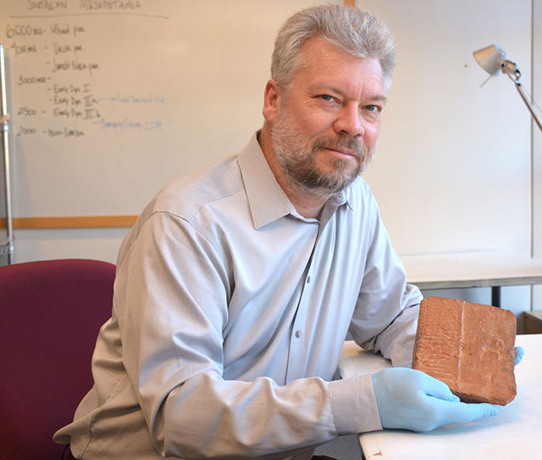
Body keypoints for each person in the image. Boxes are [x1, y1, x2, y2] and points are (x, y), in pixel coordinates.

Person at [54, 5, 518, 459]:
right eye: (329, 98)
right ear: (273, 100)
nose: (352, 126)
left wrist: (463, 357)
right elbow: (182, 415)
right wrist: (364, 401)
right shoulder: (187, 224)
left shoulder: (356, 205)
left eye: (371, 107)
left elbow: (391, 317)